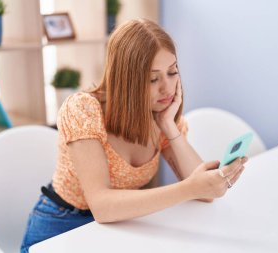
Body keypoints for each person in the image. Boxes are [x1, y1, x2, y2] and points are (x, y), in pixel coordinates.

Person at [20, 19, 247, 252]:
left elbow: (204, 193)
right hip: (62, 226)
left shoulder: (161, 115)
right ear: (126, 81)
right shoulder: (83, 109)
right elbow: (102, 206)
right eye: (153, 79)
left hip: (120, 226)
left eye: (172, 72)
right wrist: (189, 188)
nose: (167, 88)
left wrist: (169, 127)